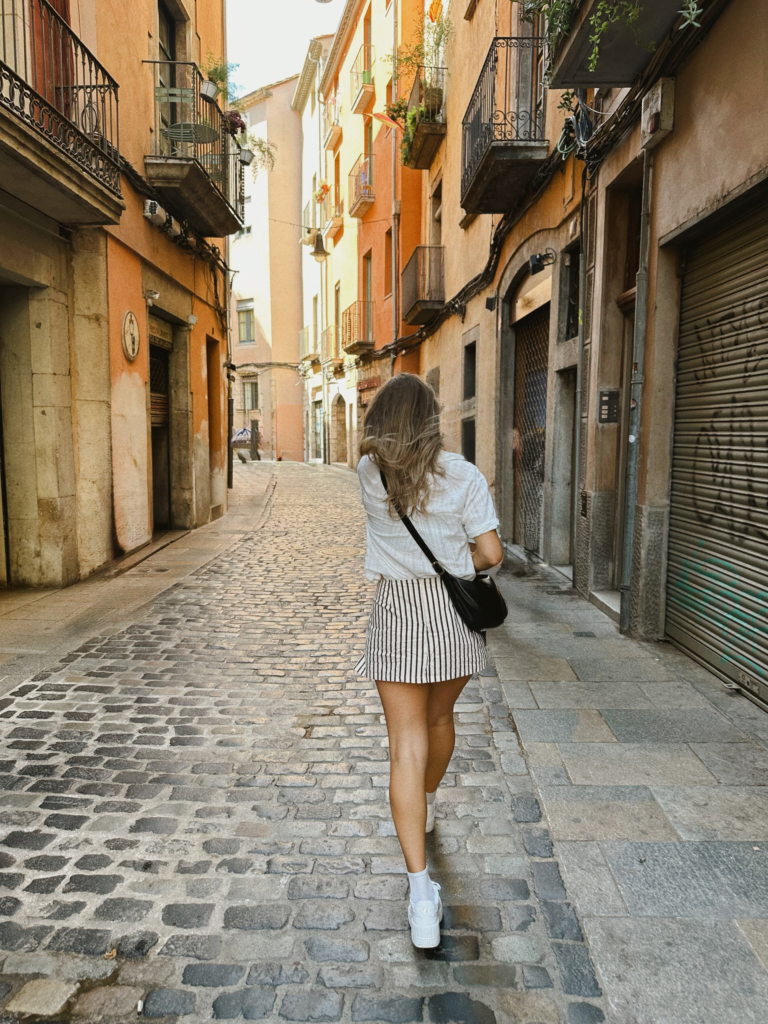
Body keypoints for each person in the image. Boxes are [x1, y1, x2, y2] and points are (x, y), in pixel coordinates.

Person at [354, 373, 503, 948]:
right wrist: (453, 552)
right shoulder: (464, 476)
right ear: (432, 420)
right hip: (451, 617)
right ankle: (431, 803)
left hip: (395, 615)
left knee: (403, 747)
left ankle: (420, 897)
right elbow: (489, 553)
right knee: (440, 723)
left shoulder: (370, 474)